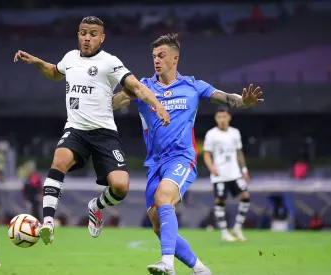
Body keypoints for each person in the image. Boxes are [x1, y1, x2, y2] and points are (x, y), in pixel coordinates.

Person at [112, 33, 263, 275]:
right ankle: (201, 270)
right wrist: (107, 101)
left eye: (162, 56)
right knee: (159, 226)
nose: (157, 61)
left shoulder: (193, 86)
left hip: (183, 158)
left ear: (175, 58)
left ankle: (167, 264)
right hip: (154, 163)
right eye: (154, 57)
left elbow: (227, 98)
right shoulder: (143, 87)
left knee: (164, 197)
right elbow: (115, 102)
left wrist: (244, 102)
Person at [14, 16, 170, 245]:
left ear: (102, 38)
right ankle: (47, 223)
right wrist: (36, 61)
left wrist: (158, 106)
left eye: (93, 34)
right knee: (59, 161)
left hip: (104, 133)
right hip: (75, 130)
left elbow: (136, 86)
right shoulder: (70, 58)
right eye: (83, 32)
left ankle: (95, 206)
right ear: (78, 34)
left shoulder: (110, 62)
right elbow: (54, 73)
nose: (87, 38)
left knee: (120, 186)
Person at [203, 107, 251, 242]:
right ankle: (224, 232)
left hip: (235, 173)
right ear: (216, 118)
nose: (222, 120)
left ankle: (237, 228)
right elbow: (207, 153)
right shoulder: (211, 134)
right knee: (220, 201)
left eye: (224, 116)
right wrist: (211, 167)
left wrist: (244, 170)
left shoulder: (235, 133)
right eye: (219, 117)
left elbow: (239, 152)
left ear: (229, 117)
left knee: (246, 196)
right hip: (220, 175)